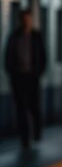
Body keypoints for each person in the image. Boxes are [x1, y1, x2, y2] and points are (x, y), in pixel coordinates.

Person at [4, 9, 46, 149]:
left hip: (32, 78)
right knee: (21, 109)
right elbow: (7, 57)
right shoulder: (14, 37)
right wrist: (12, 73)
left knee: (34, 107)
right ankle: (25, 139)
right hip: (19, 78)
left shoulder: (36, 36)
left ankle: (36, 133)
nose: (26, 21)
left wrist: (38, 72)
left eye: (28, 18)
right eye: (24, 18)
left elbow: (43, 56)